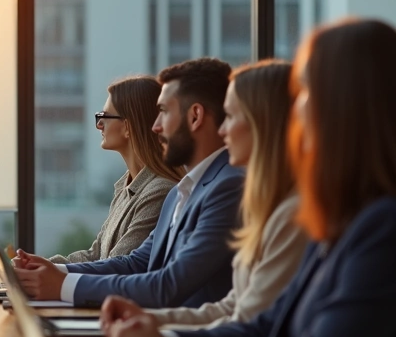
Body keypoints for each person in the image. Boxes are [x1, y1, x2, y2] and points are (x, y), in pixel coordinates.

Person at [104, 18, 396, 337]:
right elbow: (266, 330)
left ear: (343, 106)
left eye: (304, 94)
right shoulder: (344, 221)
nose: (294, 111)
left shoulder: (381, 229)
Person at [14, 58, 242, 308]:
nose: (155, 127)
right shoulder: (182, 191)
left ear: (195, 116)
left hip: (186, 336)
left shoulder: (225, 188)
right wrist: (55, 271)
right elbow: (135, 263)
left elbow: (166, 285)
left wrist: (61, 284)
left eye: (164, 112)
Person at [104, 61, 307, 329]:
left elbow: (250, 328)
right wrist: (146, 323)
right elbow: (232, 308)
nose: (222, 130)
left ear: (261, 125)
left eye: (231, 117)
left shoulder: (253, 199)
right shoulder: (184, 191)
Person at [49, 76, 183, 265]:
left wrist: (50, 274)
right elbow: (96, 254)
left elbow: (117, 264)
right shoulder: (126, 187)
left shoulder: (159, 191)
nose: (99, 125)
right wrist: (41, 266)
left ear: (128, 127)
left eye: (105, 117)